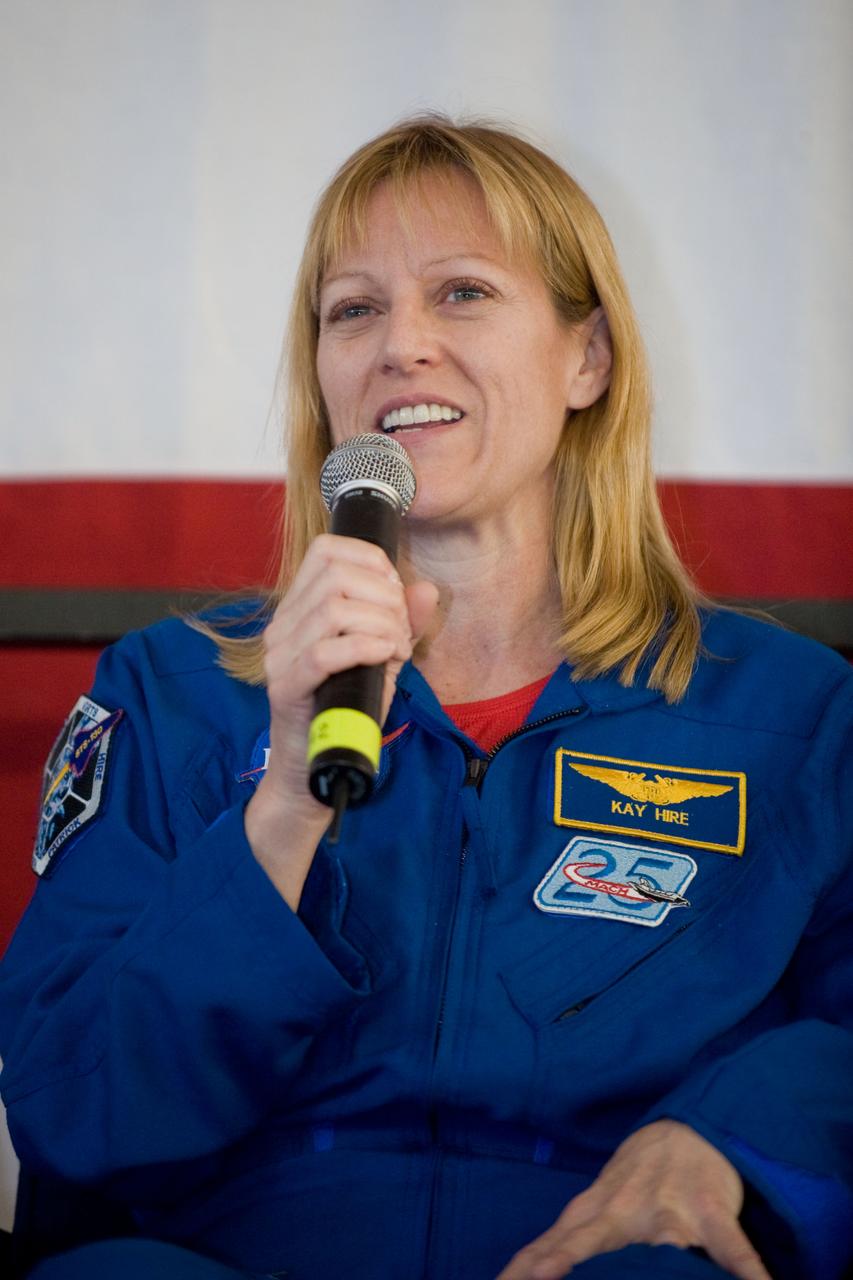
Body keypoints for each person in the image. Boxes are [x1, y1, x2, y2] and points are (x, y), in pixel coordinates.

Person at [0, 115, 851, 1280]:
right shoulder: (170, 691)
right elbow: (77, 1107)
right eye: (353, 309)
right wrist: (287, 797)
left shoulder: (796, 713)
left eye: (460, 293)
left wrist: (732, 1135)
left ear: (585, 358)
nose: (401, 344)